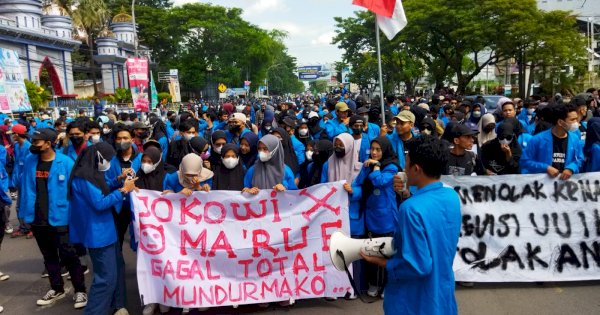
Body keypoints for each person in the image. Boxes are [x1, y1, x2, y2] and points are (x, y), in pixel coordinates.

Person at [363, 135, 460, 314]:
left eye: (406, 164)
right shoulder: (451, 196)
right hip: (442, 294)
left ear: (416, 169)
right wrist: (407, 193)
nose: (404, 169)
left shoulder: (410, 209)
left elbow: (417, 266)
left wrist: (381, 262)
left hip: (414, 301)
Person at [19, 128, 87, 308]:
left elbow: (75, 191)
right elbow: (24, 187)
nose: (33, 145)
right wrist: (24, 212)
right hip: (37, 219)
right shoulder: (29, 161)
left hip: (61, 217)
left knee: (69, 255)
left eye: (36, 142)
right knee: (48, 256)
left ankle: (80, 290)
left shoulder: (65, 162)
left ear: (48, 143)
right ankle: (57, 288)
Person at [68, 142, 137, 315]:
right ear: (98, 157)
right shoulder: (83, 177)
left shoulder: (91, 174)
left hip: (106, 231)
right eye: (107, 159)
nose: (107, 163)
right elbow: (99, 202)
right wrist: (123, 191)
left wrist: (117, 180)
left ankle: (115, 305)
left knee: (114, 272)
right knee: (105, 279)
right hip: (98, 235)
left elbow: (102, 190)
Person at [354, 136, 400, 297]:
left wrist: (376, 167)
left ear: (385, 150)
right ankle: (374, 283)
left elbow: (380, 181)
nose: (374, 152)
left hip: (386, 216)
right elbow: (359, 182)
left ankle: (388, 285)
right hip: (370, 215)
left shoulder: (392, 167)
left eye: (378, 149)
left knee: (387, 252)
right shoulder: (369, 164)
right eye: (372, 149)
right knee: (373, 252)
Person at [521, 103, 584, 177]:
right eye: (572, 120)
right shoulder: (537, 139)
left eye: (576, 119)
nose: (576, 123)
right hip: (544, 185)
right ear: (560, 122)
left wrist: (571, 168)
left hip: (567, 184)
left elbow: (580, 159)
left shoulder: (574, 138)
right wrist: (546, 168)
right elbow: (525, 161)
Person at [105, 126, 142, 248]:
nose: (122, 141)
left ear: (132, 139)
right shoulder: (110, 161)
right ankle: (118, 265)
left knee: (140, 240)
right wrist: (118, 179)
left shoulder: (142, 159)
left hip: (137, 206)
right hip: (118, 206)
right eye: (119, 138)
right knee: (117, 239)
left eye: (125, 138)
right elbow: (106, 184)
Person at [9, 124, 32, 238]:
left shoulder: (29, 147)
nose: (11, 136)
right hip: (19, 181)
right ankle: (23, 227)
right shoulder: (17, 146)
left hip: (27, 181)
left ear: (17, 134)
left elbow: (29, 166)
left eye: (12, 134)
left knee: (26, 204)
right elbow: (17, 164)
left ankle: (28, 228)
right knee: (19, 206)